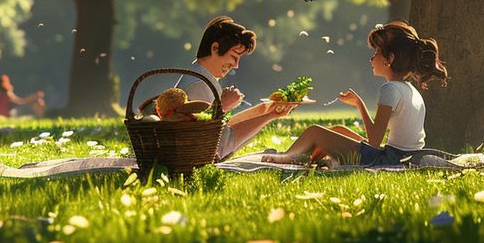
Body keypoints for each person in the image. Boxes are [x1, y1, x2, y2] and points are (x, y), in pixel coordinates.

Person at [261, 21, 448, 167]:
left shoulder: (390, 89)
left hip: (386, 160)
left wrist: (360, 105)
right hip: (402, 157)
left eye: (376, 52)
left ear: (389, 58)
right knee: (338, 131)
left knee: (315, 132)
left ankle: (287, 157)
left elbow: (374, 141)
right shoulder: (410, 90)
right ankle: (302, 157)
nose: (371, 58)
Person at [175, 16, 296, 161]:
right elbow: (220, 147)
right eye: (233, 56)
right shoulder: (199, 85)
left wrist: (265, 111)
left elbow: (222, 127)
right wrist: (268, 116)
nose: (236, 65)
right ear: (215, 48)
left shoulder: (202, 78)